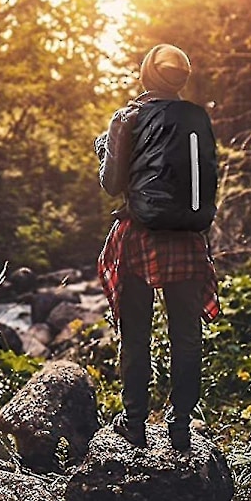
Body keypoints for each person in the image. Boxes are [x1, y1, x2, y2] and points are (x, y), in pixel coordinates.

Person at [94, 43, 220, 451]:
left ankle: (134, 424)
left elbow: (112, 184)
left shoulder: (127, 118)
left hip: (139, 237)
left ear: (148, 73)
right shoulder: (197, 117)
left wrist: (105, 152)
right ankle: (180, 424)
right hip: (187, 239)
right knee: (187, 336)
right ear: (180, 78)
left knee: (136, 335)